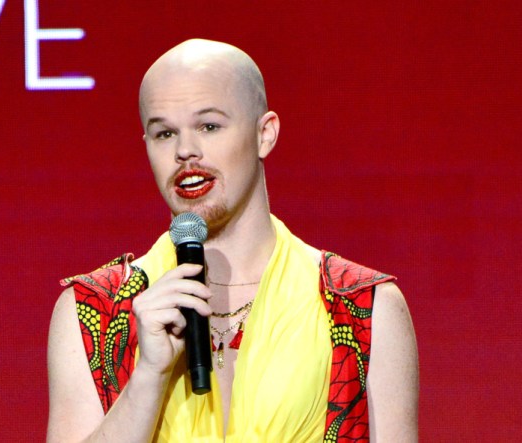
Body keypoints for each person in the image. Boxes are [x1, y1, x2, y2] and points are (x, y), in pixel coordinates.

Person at [47, 39, 418, 442]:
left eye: (209, 126)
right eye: (164, 133)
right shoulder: (94, 312)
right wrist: (148, 377)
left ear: (265, 134)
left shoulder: (360, 306)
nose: (186, 151)